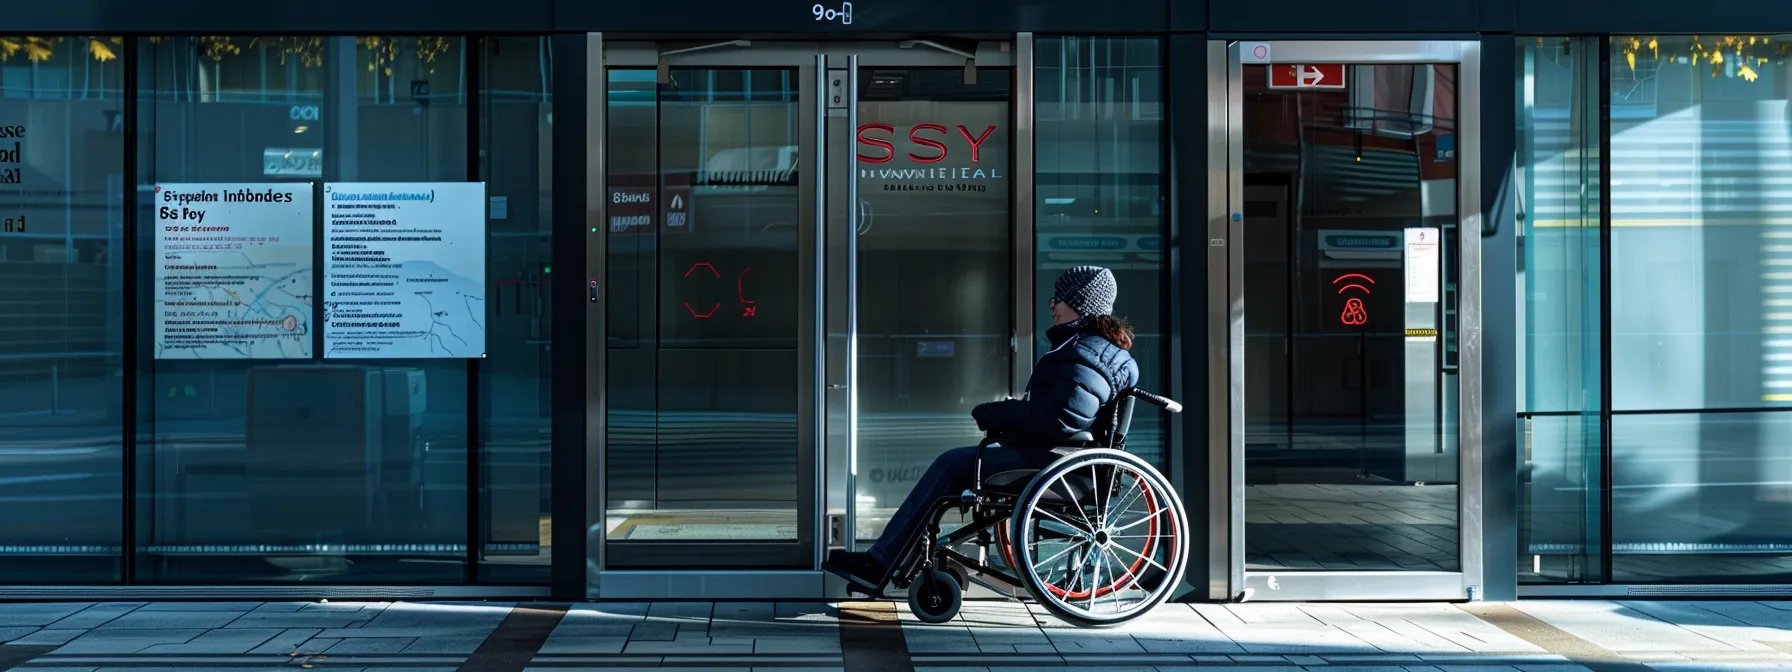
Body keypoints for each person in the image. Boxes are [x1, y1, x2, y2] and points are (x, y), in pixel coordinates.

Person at [824, 265, 1140, 589]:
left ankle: (880, 562)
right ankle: (891, 560)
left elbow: (1061, 419)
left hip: (1056, 465)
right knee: (955, 464)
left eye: (1058, 298)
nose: (1051, 305)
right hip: (1058, 461)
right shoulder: (1093, 351)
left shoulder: (1085, 354)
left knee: (951, 464)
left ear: (1080, 302)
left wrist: (999, 414)